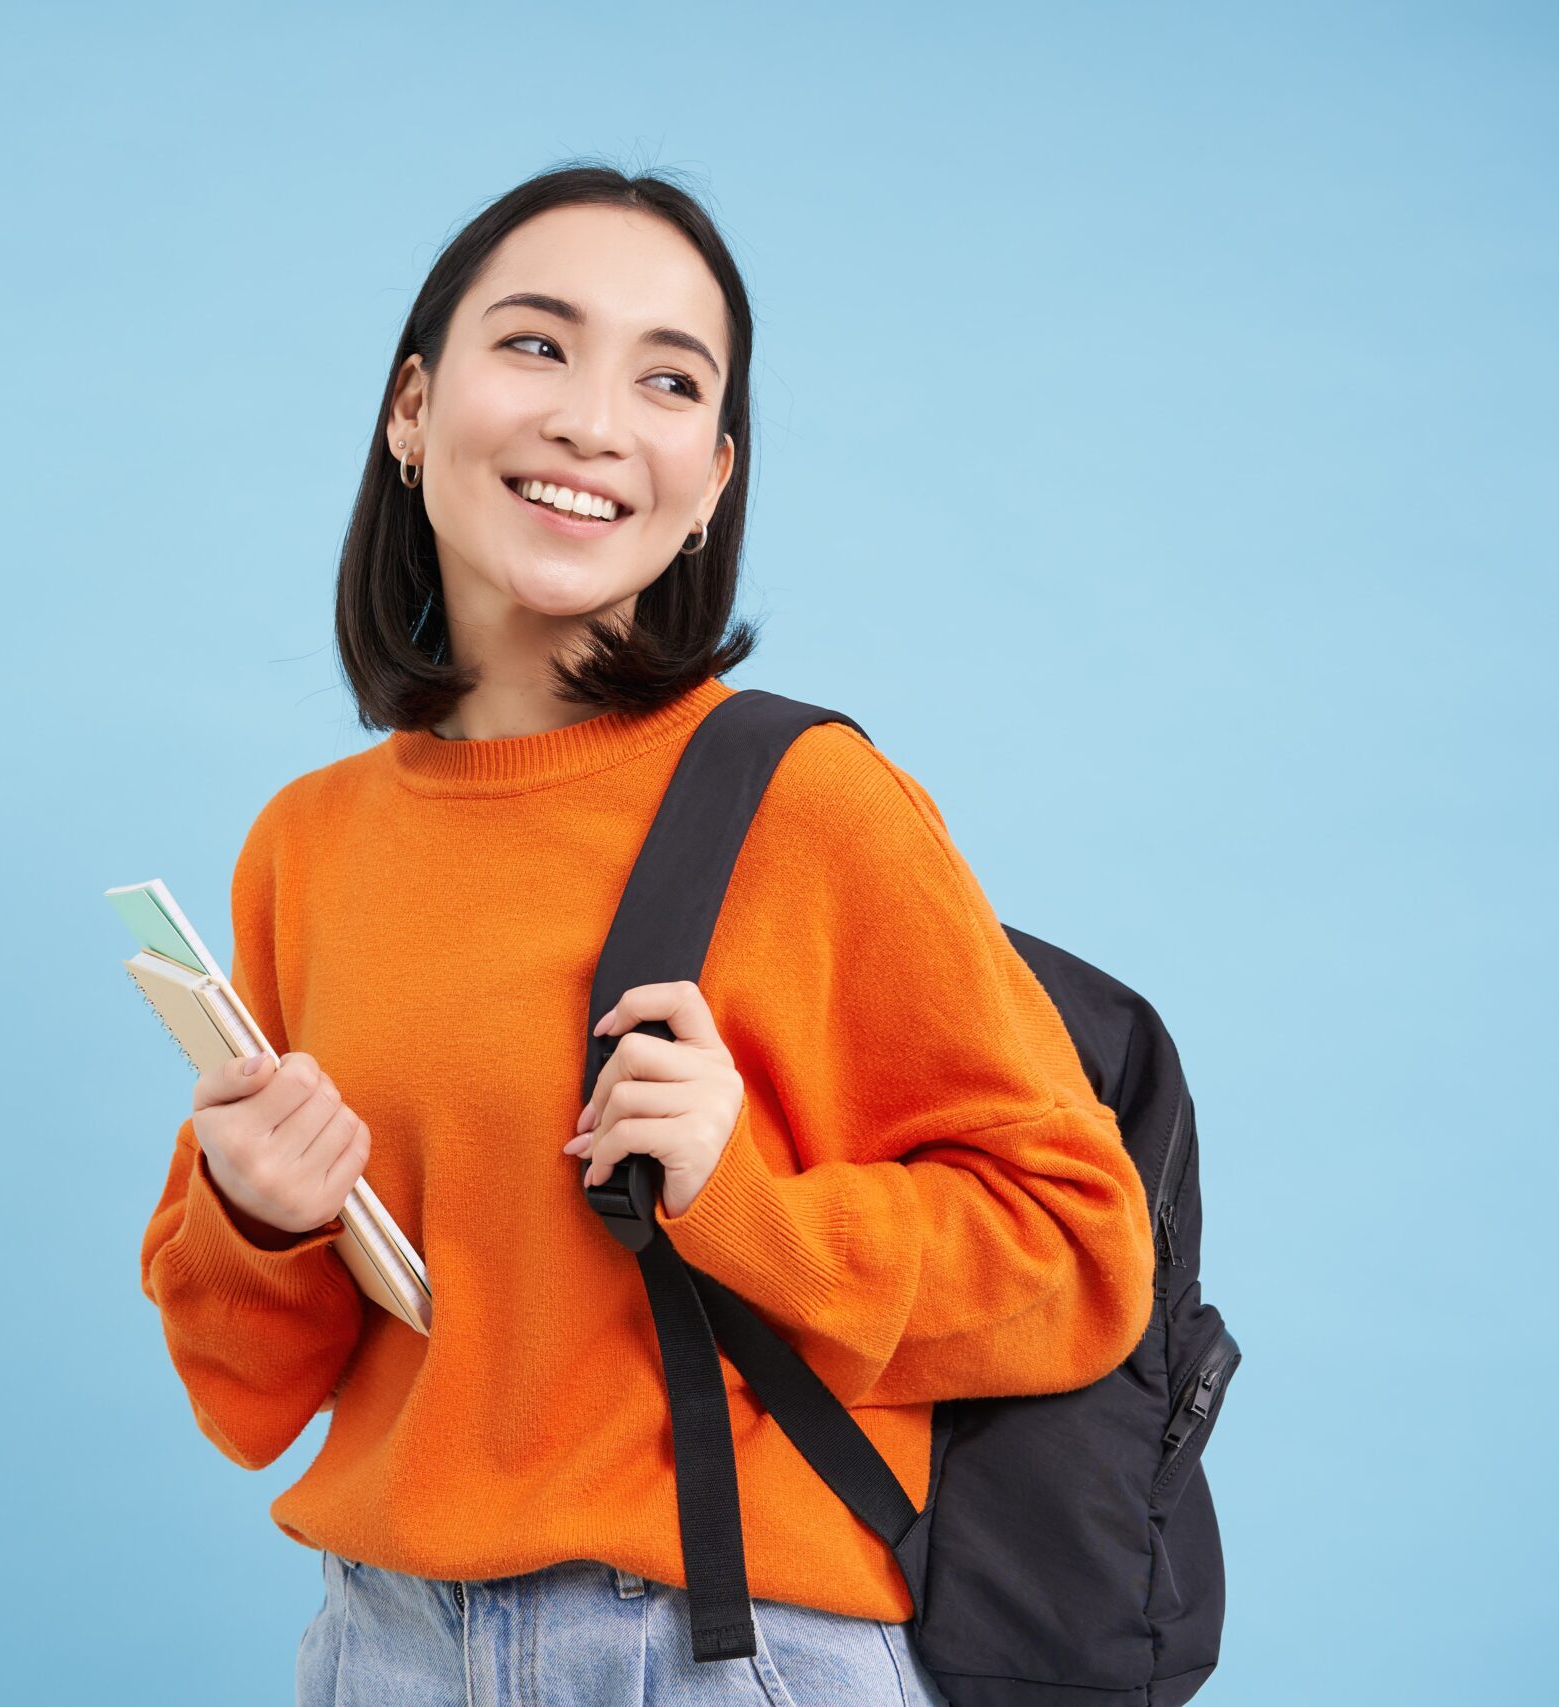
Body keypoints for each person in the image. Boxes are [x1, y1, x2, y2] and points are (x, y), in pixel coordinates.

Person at [137, 161, 1158, 1707]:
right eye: (537, 345)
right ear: (413, 410)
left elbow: (1084, 1255)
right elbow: (246, 1392)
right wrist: (260, 1215)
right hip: (382, 1647)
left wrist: (746, 1204)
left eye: (668, 380)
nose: (594, 420)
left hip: (718, 1650)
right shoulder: (307, 846)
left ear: (712, 476)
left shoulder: (812, 804)